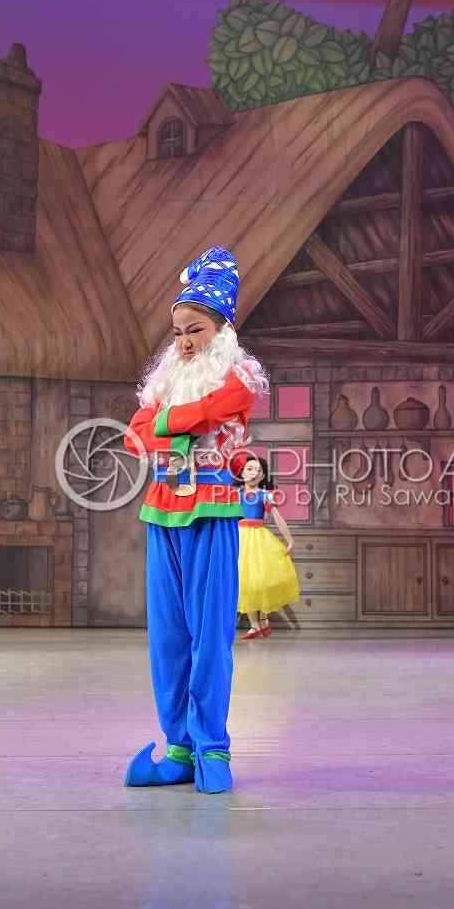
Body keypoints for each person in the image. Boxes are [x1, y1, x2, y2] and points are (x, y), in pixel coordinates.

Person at [122, 246, 269, 793]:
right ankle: (180, 747)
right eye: (178, 332)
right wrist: (170, 423)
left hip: (212, 510)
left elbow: (212, 410)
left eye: (196, 330)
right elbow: (134, 436)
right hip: (162, 511)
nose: (184, 342)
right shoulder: (168, 379)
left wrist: (164, 422)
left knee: (210, 635)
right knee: (168, 636)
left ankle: (213, 746)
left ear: (223, 327)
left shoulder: (238, 375)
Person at [231, 452, 300, 639]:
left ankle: (261, 620)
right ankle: (257, 624)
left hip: (259, 538)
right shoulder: (235, 495)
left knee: (259, 579)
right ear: (241, 473)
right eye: (249, 469)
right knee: (245, 580)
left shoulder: (265, 495)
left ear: (263, 476)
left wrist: (289, 539)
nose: (254, 473)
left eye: (258, 470)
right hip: (240, 538)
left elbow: (277, 517)